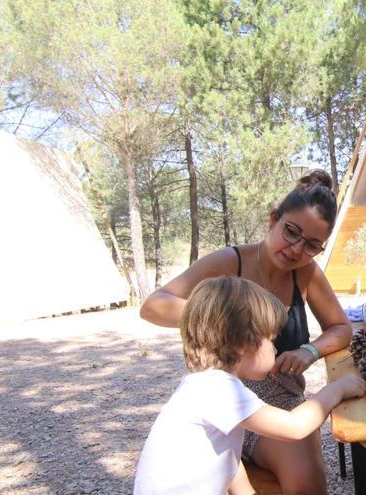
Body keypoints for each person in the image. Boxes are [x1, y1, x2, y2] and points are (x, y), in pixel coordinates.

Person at [140, 170, 352, 494]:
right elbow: (154, 306)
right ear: (273, 219)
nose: (296, 249)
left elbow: (341, 328)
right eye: (291, 232)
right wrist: (225, 317)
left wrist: (309, 351)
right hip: (234, 390)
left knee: (306, 483)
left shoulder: (306, 274)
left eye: (311, 245)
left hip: (282, 399)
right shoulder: (230, 262)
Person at [134, 276, 366, 494]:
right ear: (243, 345)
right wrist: (337, 389)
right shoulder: (220, 389)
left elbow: (227, 459)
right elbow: (295, 426)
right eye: (272, 340)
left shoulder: (203, 383)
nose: (275, 349)